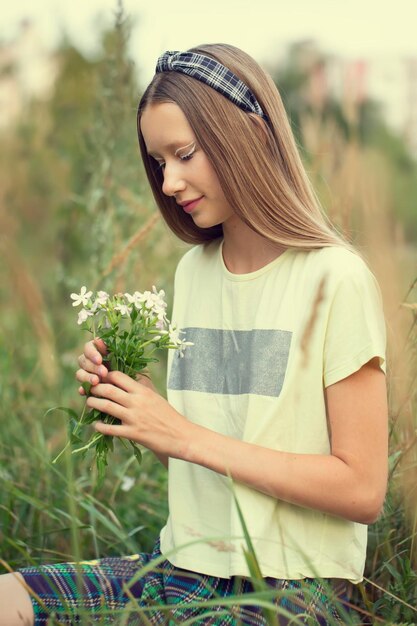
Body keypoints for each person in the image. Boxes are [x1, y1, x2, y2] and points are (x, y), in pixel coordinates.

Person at [0, 43, 388, 625]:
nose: (170, 180)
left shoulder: (336, 278)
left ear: (249, 134)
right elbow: (205, 460)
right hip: (182, 565)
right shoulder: (195, 273)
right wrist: (142, 413)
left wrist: (182, 435)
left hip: (294, 587)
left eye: (184, 154)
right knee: (10, 599)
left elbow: (363, 490)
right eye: (159, 162)